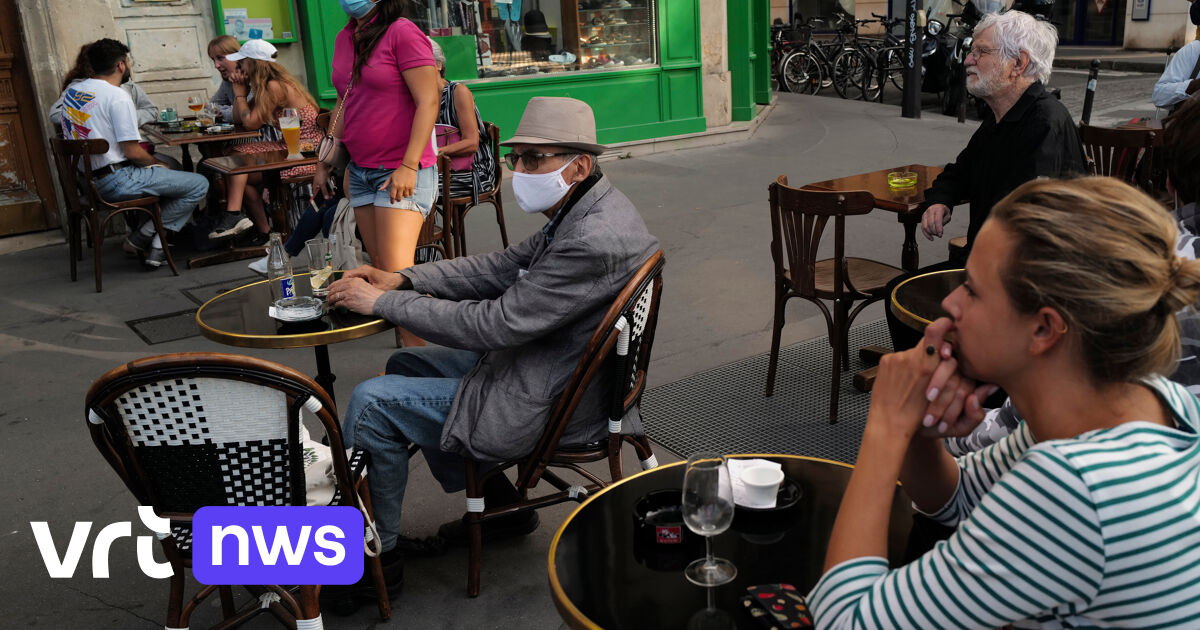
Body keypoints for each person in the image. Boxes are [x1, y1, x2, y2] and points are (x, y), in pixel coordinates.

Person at [809, 176, 1200, 628]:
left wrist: (886, 426)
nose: (950, 303)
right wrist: (918, 434)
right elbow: (956, 497)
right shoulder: (1150, 399)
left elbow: (842, 621)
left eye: (973, 289)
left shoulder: (1075, 486)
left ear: (1043, 329)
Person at [323, 97, 659, 598]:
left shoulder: (590, 236)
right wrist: (402, 279)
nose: (517, 170)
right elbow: (500, 268)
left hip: (558, 399)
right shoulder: (587, 204)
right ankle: (505, 510)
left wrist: (382, 304)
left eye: (531, 159)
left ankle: (376, 561)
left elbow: (497, 324)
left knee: (374, 405)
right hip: (553, 366)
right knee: (406, 361)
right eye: (516, 157)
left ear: (579, 165)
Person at [886, 9, 1085, 350]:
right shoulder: (1002, 116)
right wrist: (939, 200)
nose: (968, 60)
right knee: (901, 296)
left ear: (1018, 63)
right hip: (989, 267)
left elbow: (1026, 227)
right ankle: (935, 383)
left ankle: (942, 388)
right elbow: (960, 170)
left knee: (905, 298)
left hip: (1024, 282)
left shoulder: (1043, 123)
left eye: (981, 52)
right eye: (972, 50)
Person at [315, 0, 441, 347]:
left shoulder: (402, 32)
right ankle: (413, 353)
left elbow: (429, 101)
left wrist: (408, 165)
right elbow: (343, 100)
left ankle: (418, 367)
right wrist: (325, 161)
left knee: (394, 276)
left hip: (400, 170)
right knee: (382, 273)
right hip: (361, 170)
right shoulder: (346, 36)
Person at [59, 38, 208, 269]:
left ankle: (157, 246)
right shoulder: (117, 96)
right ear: (121, 65)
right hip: (117, 181)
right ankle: (142, 237)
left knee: (174, 179)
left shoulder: (73, 91)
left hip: (87, 182)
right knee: (198, 183)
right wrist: (158, 164)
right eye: (128, 62)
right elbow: (133, 152)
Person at [208, 39, 322, 245]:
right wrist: (239, 93)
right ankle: (266, 232)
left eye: (241, 63)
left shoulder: (273, 86)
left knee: (238, 160)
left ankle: (234, 213)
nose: (240, 68)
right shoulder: (267, 85)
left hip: (305, 149)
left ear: (252, 63)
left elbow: (250, 123)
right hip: (291, 144)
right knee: (238, 165)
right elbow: (238, 116)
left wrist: (239, 94)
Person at [49, 43, 181, 170]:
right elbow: (55, 114)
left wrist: (125, 119)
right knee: (176, 170)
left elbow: (151, 110)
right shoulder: (77, 89)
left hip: (135, 150)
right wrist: (96, 117)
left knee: (173, 165)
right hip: (111, 163)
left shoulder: (128, 86)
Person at [430, 39, 497, 202]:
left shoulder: (458, 92)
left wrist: (435, 153)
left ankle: (443, 229)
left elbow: (471, 143)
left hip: (474, 171)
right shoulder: (420, 98)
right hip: (438, 169)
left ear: (438, 65)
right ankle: (435, 228)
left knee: (419, 191)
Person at [206, 35, 242, 122]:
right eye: (213, 60)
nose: (216, 65)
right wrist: (230, 109)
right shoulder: (228, 80)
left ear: (236, 56)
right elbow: (209, 107)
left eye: (220, 58)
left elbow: (243, 114)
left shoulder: (253, 79)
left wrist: (221, 112)